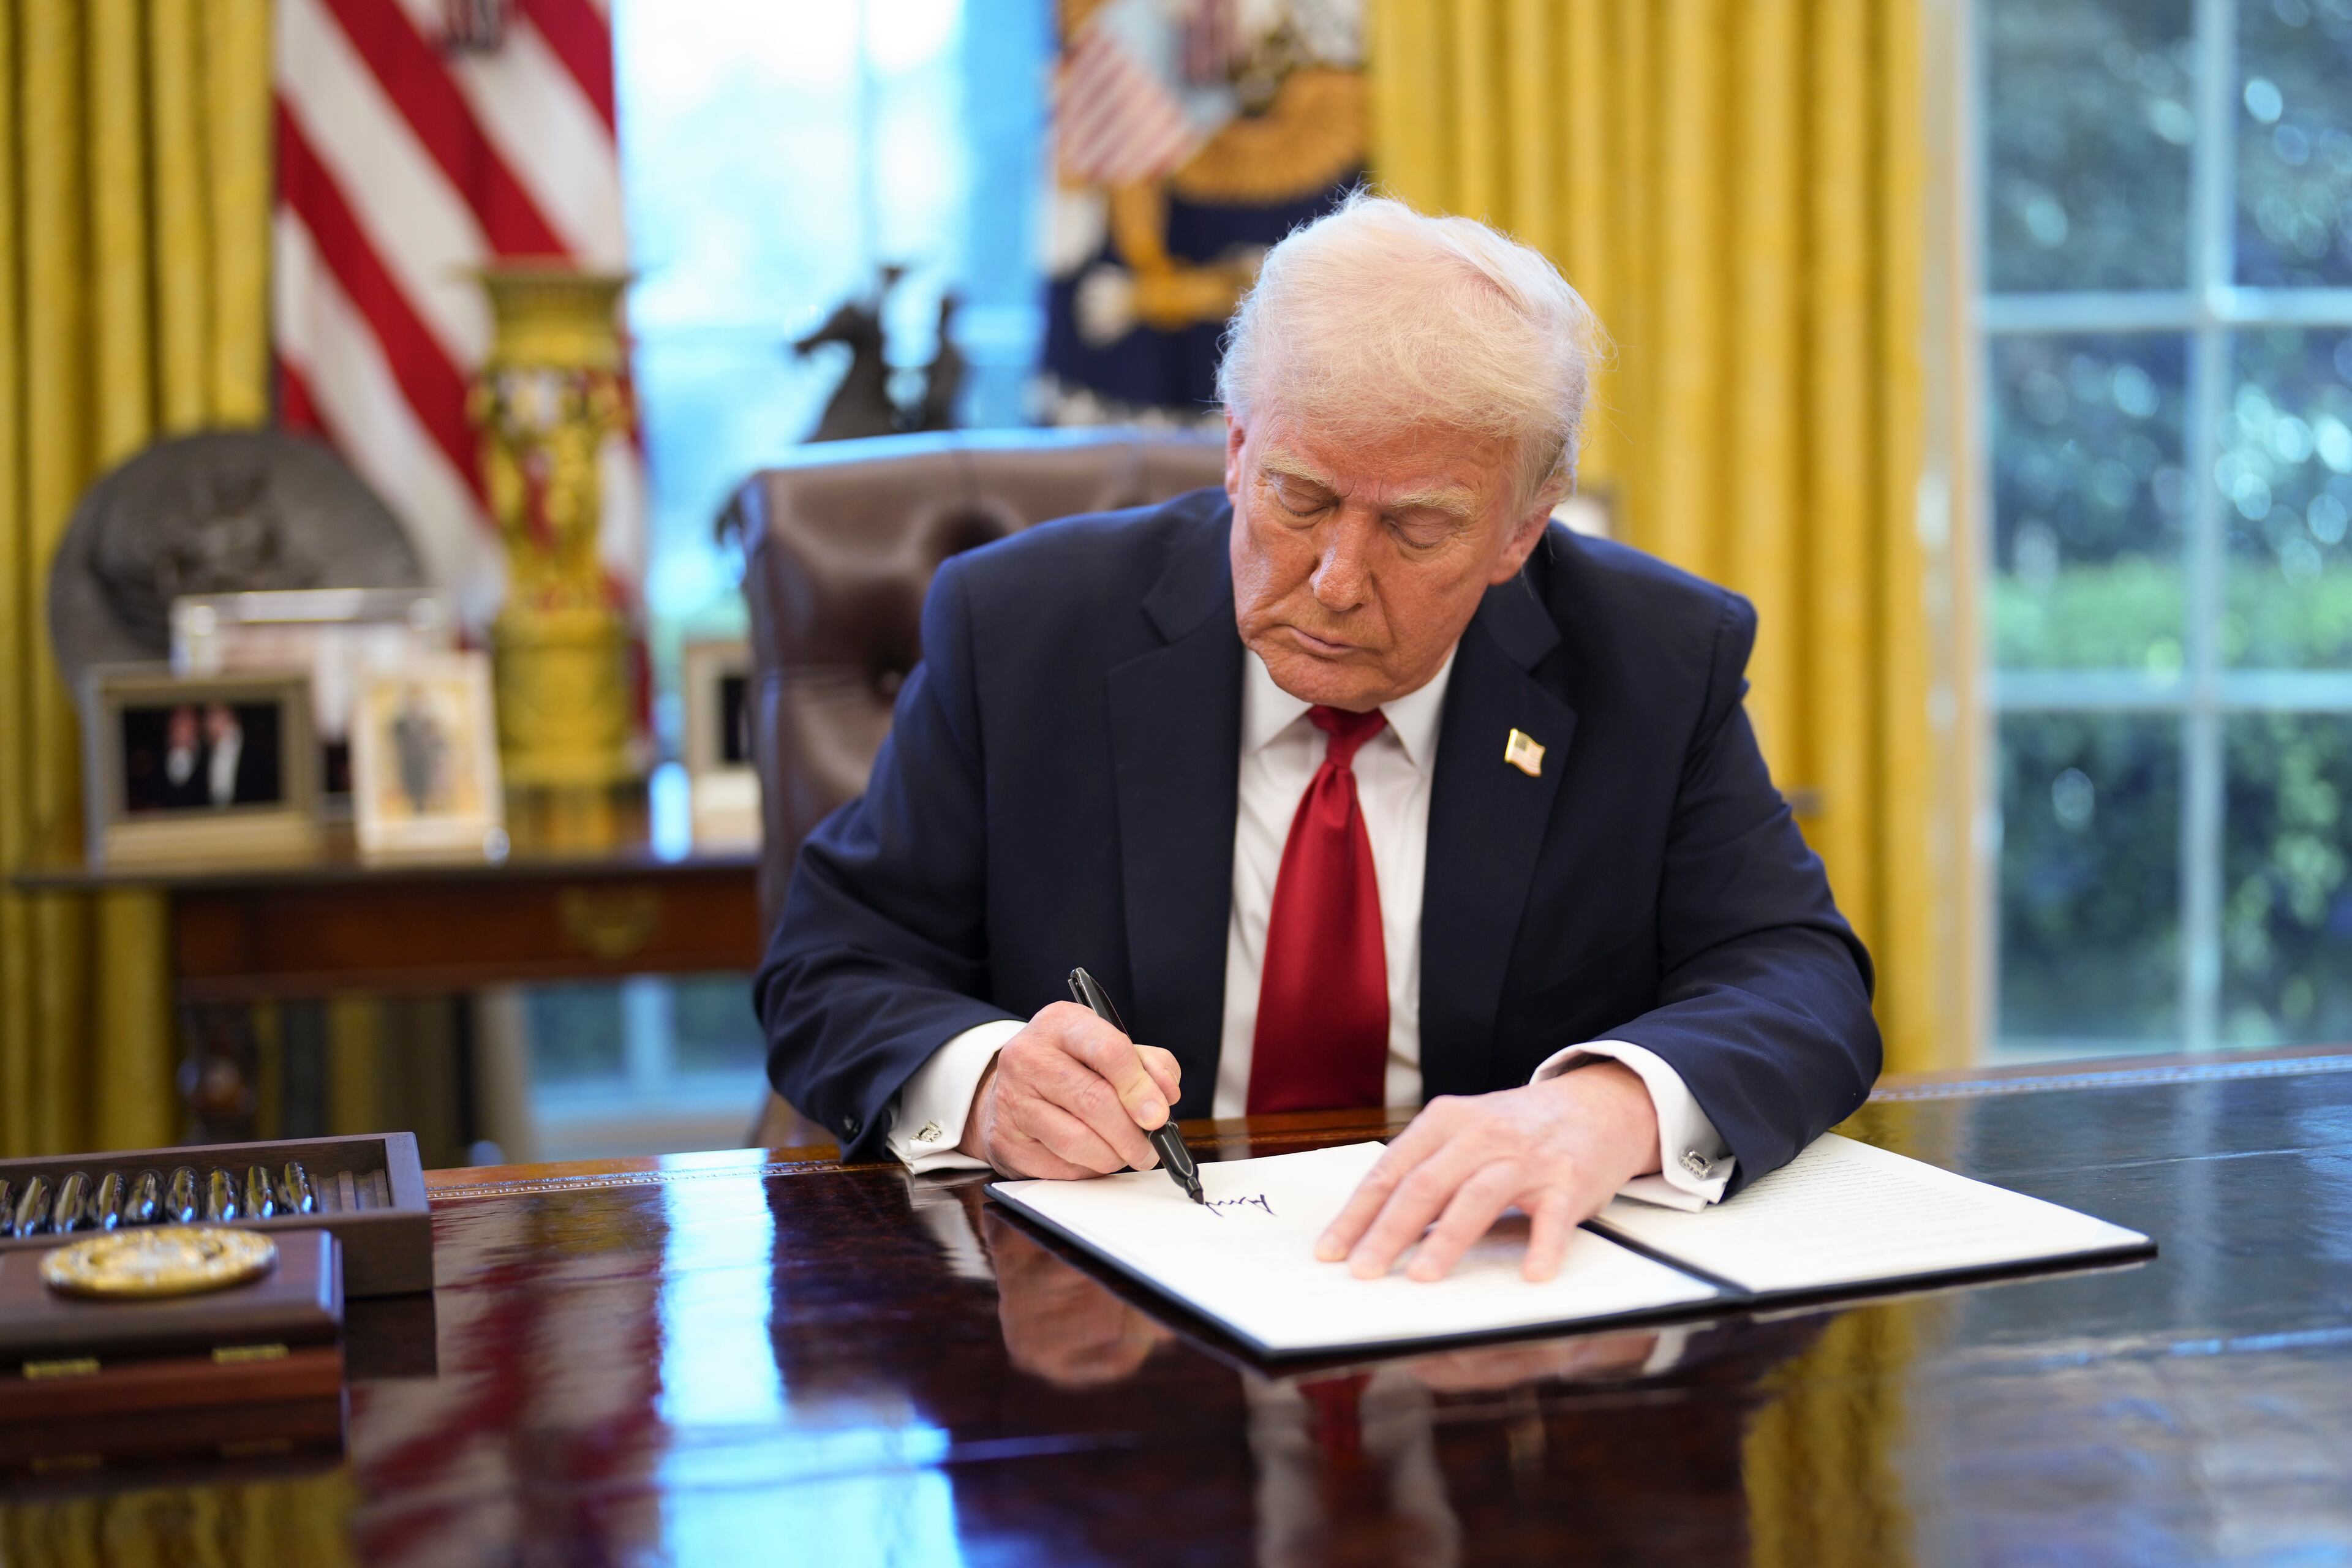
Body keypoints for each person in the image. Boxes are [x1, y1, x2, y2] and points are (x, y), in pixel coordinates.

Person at [757, 193, 1879, 1283]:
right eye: (1300, 497)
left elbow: (1799, 978)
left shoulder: (1655, 660)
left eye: (1418, 526)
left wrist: (1611, 1108)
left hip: (1487, 1311)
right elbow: (831, 966)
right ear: (1237, 449)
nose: (1339, 582)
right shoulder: (1022, 632)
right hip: (1108, 1335)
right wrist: (988, 1078)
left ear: (1521, 530)